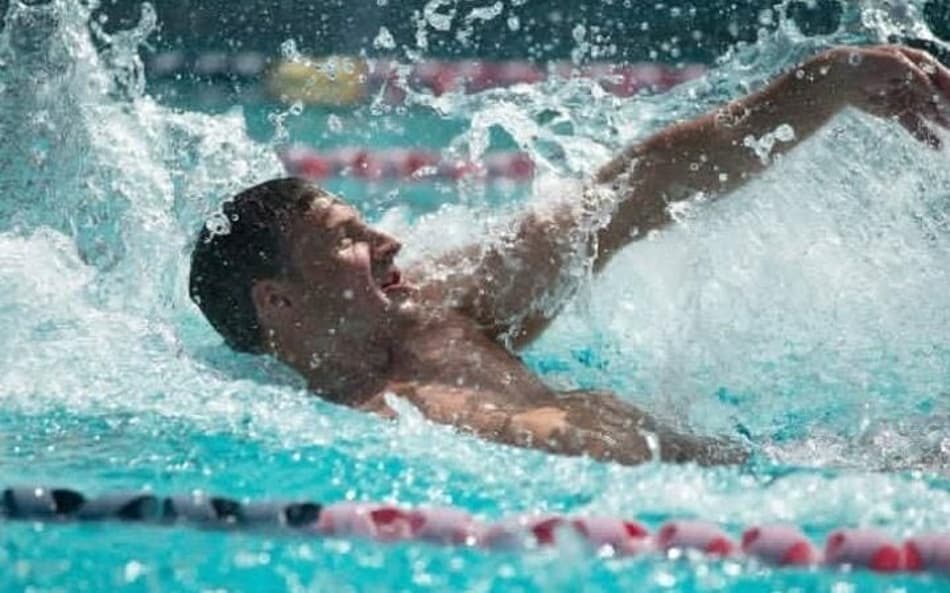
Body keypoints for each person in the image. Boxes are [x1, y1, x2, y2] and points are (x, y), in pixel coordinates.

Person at [189, 45, 950, 466]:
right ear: (276, 301)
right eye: (348, 240)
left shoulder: (444, 306)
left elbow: (635, 190)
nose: (388, 240)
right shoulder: (334, 438)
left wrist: (825, 86)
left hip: (783, 469)